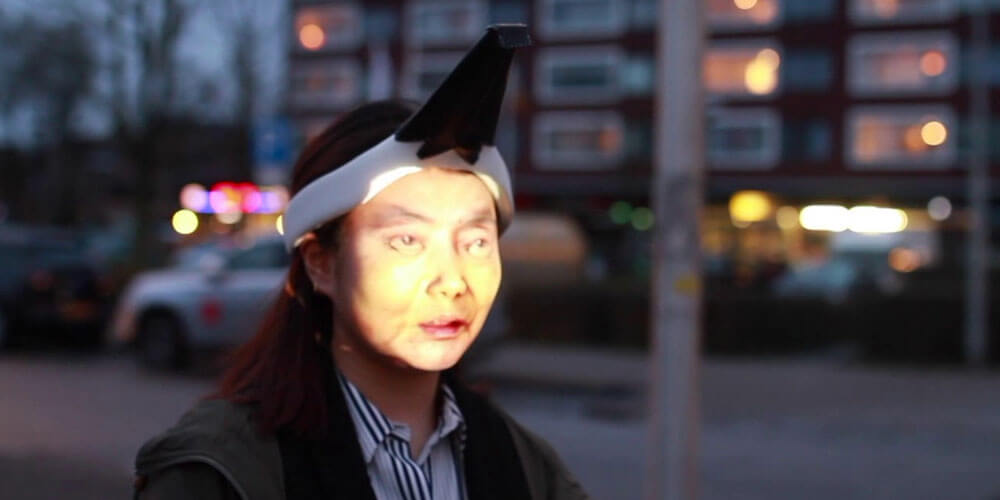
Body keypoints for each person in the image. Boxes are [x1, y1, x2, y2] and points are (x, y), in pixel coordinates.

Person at [133, 24, 590, 500]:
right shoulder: (219, 473)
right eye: (407, 240)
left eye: (475, 242)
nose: (453, 281)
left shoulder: (527, 467)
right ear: (321, 264)